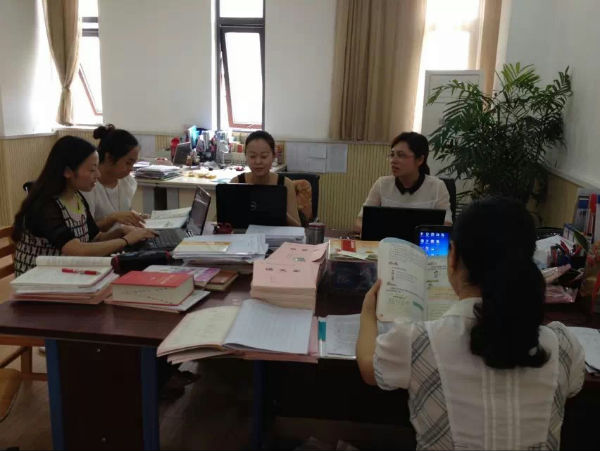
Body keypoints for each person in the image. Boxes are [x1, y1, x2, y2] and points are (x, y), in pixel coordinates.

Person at [356, 197, 585, 450]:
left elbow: (368, 366)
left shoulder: (418, 341)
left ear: (453, 256)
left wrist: (368, 311)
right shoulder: (563, 346)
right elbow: (573, 386)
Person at [12, 136, 156, 276]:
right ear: (67, 171)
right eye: (92, 170)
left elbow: (95, 238)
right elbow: (77, 250)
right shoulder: (45, 205)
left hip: (65, 273)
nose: (98, 174)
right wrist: (126, 240)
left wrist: (121, 231)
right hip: (38, 279)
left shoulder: (77, 197)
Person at [355, 131, 452, 233]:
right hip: (387, 242)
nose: (393, 160)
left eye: (401, 155)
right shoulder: (382, 184)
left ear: (420, 160)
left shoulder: (437, 187)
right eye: (392, 155)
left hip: (420, 243)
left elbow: (446, 225)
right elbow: (359, 222)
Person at [82, 124, 146, 231]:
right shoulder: (88, 186)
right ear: (109, 158)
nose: (131, 169)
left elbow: (125, 211)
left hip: (124, 238)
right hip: (104, 241)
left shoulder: (127, 181)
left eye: (133, 163)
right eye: (128, 163)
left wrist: (136, 217)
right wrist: (112, 219)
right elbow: (85, 232)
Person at [230, 130, 301, 227]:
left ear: (273, 156)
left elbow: (298, 227)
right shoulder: (236, 183)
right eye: (252, 156)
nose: (258, 161)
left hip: (277, 236)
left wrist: (279, 212)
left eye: (264, 156)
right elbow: (220, 221)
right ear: (246, 156)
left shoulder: (285, 184)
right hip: (244, 235)